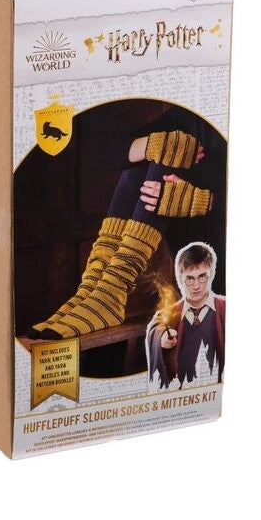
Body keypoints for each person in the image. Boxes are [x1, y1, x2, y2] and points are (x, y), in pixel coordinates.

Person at [26, 106, 225, 341]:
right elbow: (104, 151)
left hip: (222, 265)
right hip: (193, 261)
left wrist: (206, 200)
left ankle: (112, 289)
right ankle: (98, 287)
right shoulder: (192, 116)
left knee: (171, 150)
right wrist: (151, 145)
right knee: (164, 149)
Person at [145, 242, 225, 389]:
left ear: (211, 274)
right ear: (180, 278)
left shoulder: (227, 308)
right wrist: (162, 337)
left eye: (202, 277)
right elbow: (157, 327)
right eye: (189, 278)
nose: (196, 286)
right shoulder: (169, 313)